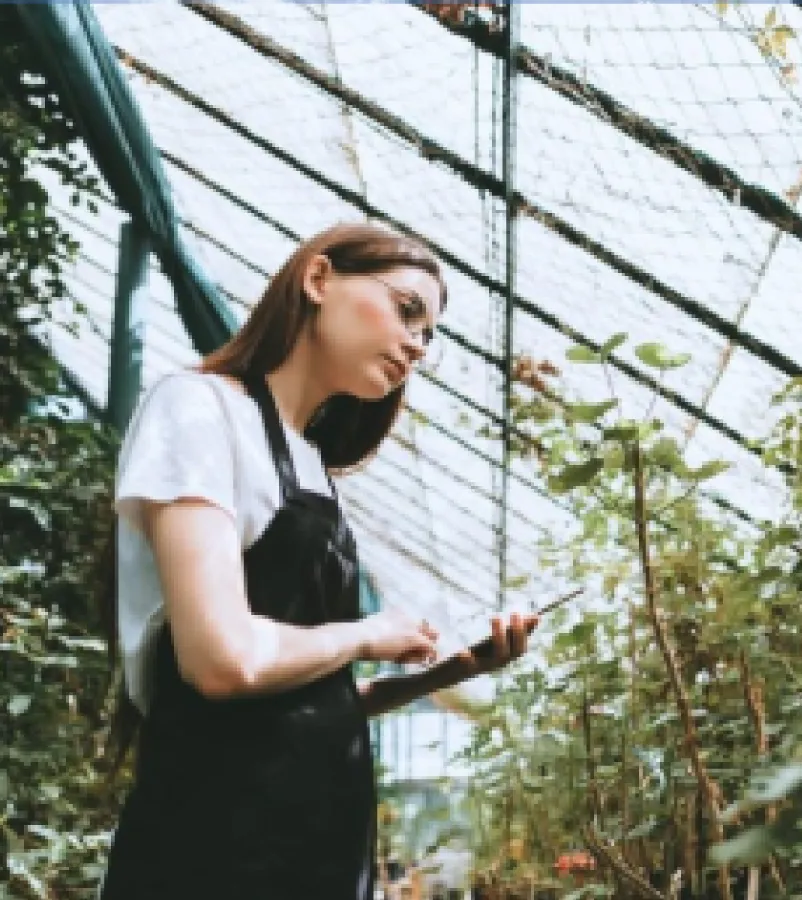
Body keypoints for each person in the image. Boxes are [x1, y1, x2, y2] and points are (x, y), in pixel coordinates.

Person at [96, 222, 538, 900]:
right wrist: (367, 633)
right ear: (318, 278)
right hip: (217, 847)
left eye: (430, 336)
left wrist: (454, 670)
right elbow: (223, 662)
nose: (418, 345)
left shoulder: (317, 473)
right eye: (407, 310)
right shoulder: (198, 408)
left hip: (318, 847)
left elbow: (309, 704)